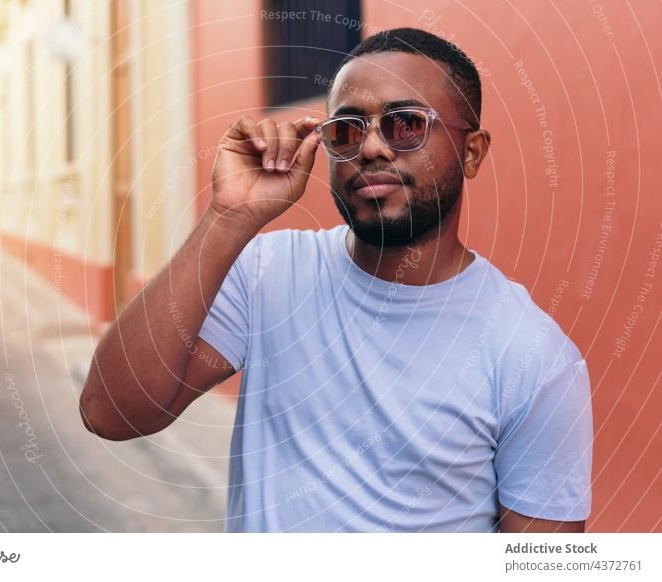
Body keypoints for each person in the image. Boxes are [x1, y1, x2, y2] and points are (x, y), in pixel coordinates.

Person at [79, 27, 593, 533]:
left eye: (406, 124)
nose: (371, 148)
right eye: (346, 130)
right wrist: (228, 217)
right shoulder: (269, 273)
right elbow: (112, 412)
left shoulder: (534, 357)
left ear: (473, 151)